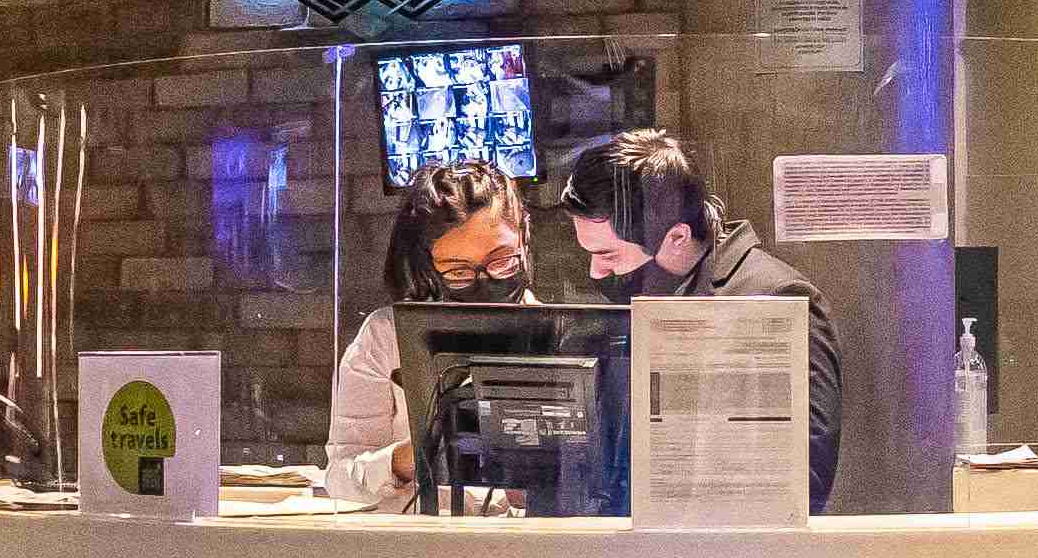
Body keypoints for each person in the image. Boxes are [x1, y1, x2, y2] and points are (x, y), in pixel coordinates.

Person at [558, 129, 842, 512]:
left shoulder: (775, 299)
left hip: (732, 552)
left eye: (609, 255)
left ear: (676, 237)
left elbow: (804, 476)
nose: (595, 272)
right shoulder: (645, 300)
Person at [324, 162, 532, 508]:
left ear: (523, 240)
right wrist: (416, 456)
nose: (485, 280)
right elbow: (340, 480)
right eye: (457, 270)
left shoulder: (559, 332)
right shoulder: (386, 336)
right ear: (427, 268)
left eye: (502, 260)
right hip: (413, 544)